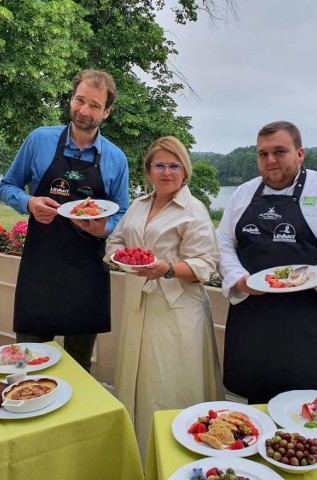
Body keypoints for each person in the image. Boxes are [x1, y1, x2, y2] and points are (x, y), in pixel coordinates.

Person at [217, 121, 317, 404]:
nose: (270, 160)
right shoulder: (242, 194)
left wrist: (315, 275)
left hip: (311, 328)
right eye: (263, 154)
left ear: (300, 154)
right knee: (254, 413)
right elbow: (224, 244)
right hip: (253, 325)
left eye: (279, 151)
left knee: (307, 417)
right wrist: (239, 278)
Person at [0, 69, 129, 372]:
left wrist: (104, 227)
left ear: (106, 112)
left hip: (87, 276)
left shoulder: (115, 158)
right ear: (71, 99)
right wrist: (29, 202)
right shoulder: (39, 140)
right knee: (26, 365)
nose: (83, 111)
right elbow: (8, 186)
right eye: (79, 100)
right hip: (40, 270)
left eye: (94, 105)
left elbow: (122, 211)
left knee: (79, 368)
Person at [105, 136, 224, 460]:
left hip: (176, 314)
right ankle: (137, 454)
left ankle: (174, 456)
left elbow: (206, 265)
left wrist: (167, 268)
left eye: (174, 165)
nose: (166, 172)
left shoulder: (193, 210)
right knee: (138, 382)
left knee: (167, 386)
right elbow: (116, 241)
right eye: (159, 165)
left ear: (185, 171)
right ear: (149, 170)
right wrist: (118, 256)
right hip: (138, 307)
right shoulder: (139, 205)